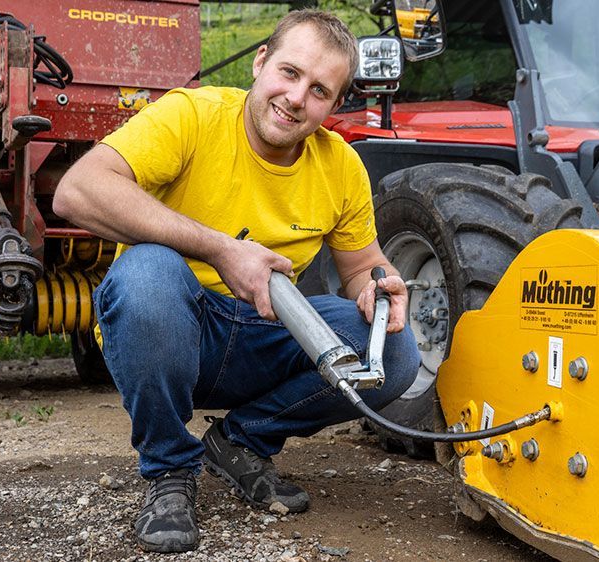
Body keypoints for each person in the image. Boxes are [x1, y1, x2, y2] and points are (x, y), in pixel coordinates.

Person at [53, 9, 420, 553]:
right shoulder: (191, 116)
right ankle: (170, 474)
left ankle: (240, 442)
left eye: (319, 90)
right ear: (260, 61)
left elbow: (363, 267)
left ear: (335, 105)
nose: (297, 98)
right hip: (173, 329)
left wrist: (381, 286)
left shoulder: (341, 166)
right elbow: (76, 192)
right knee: (148, 272)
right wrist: (222, 250)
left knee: (394, 352)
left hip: (264, 335)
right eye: (290, 73)